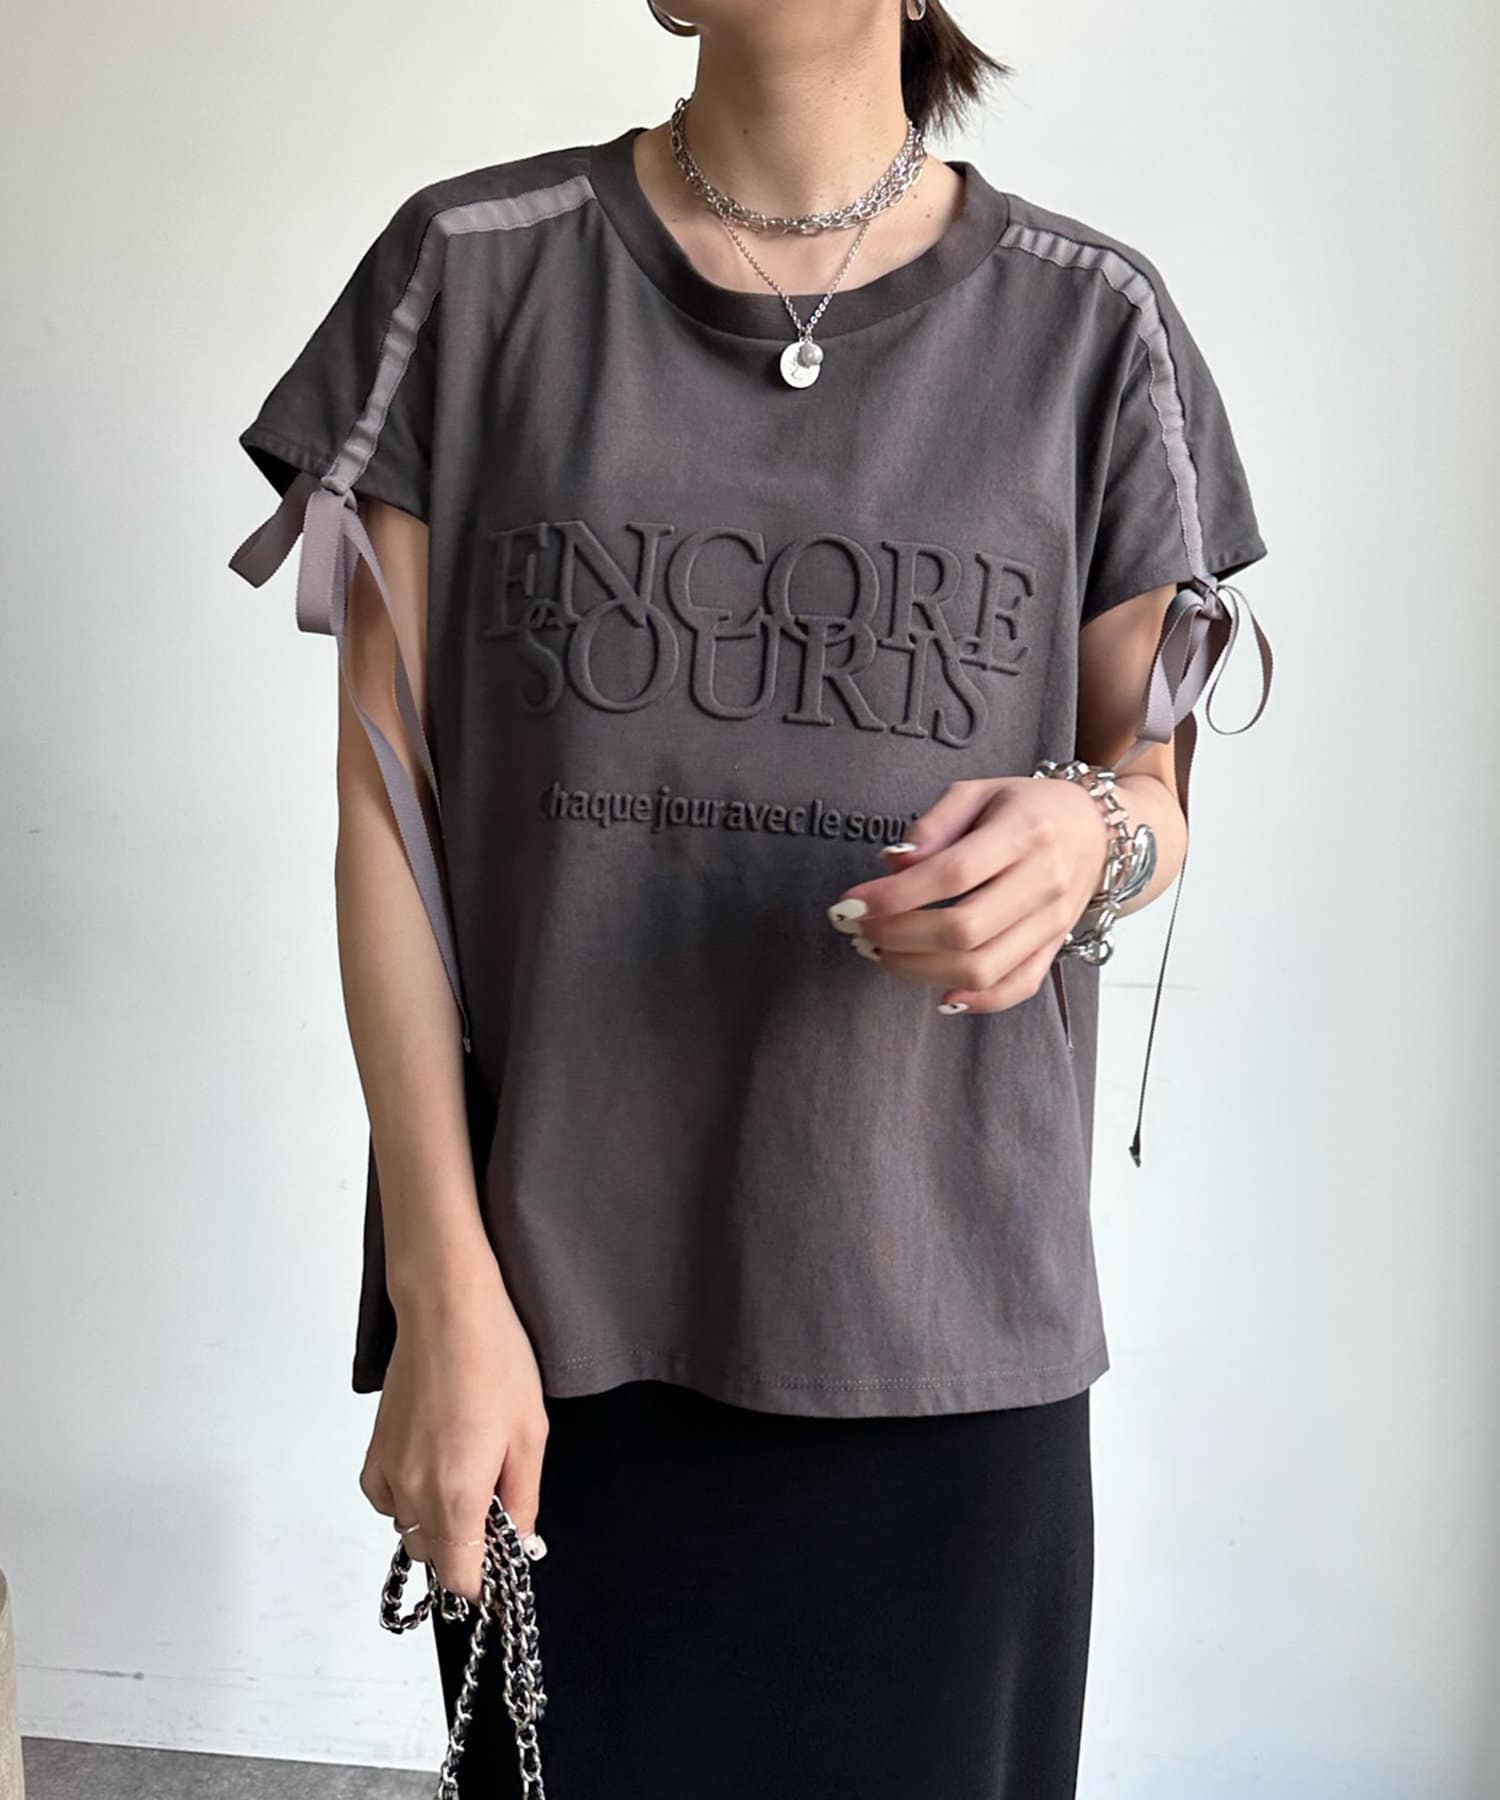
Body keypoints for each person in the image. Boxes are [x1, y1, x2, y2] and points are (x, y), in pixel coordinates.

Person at [227, 2, 1274, 1793]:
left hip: (945, 1328)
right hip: (548, 1344)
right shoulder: (473, 273)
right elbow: (387, 825)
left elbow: (1153, 787)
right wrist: (440, 1290)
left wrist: (1085, 840)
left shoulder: (1093, 327)